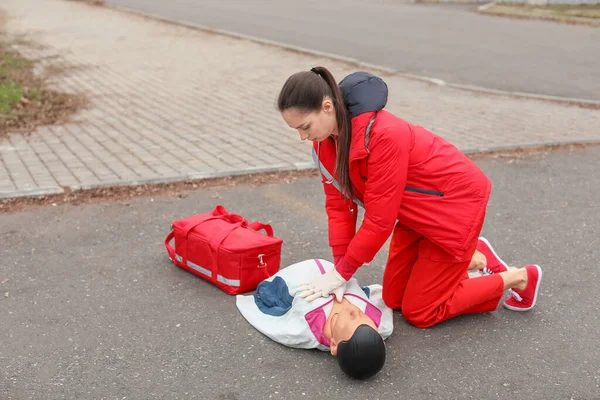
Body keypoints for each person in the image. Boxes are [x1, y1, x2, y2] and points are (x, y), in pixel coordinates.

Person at [277, 67, 543, 329]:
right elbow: (339, 208)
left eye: (305, 127)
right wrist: (340, 270)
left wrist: (342, 273)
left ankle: (518, 277)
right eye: (296, 130)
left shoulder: (384, 135)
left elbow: (379, 222)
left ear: (326, 107)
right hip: (415, 214)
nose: (303, 137)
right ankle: (475, 255)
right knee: (394, 299)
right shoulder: (324, 143)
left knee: (421, 312)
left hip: (455, 208)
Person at [235, 258, 393, 380]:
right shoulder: (379, 322)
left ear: (333, 344)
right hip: (336, 268)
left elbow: (273, 321)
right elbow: (382, 306)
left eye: (351, 321)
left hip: (299, 276)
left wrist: (250, 302)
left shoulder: (305, 325)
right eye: (365, 318)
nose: (355, 312)